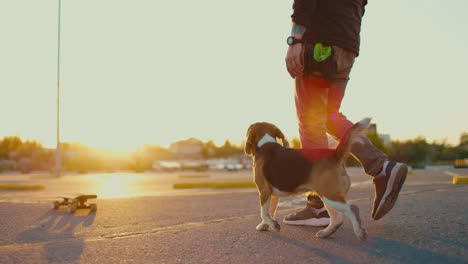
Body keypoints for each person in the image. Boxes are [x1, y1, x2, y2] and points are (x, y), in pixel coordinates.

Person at [282, 0, 408, 226]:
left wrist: (295, 39)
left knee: (311, 124)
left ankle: (325, 208)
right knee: (331, 117)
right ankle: (378, 169)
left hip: (320, 44)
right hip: (346, 46)